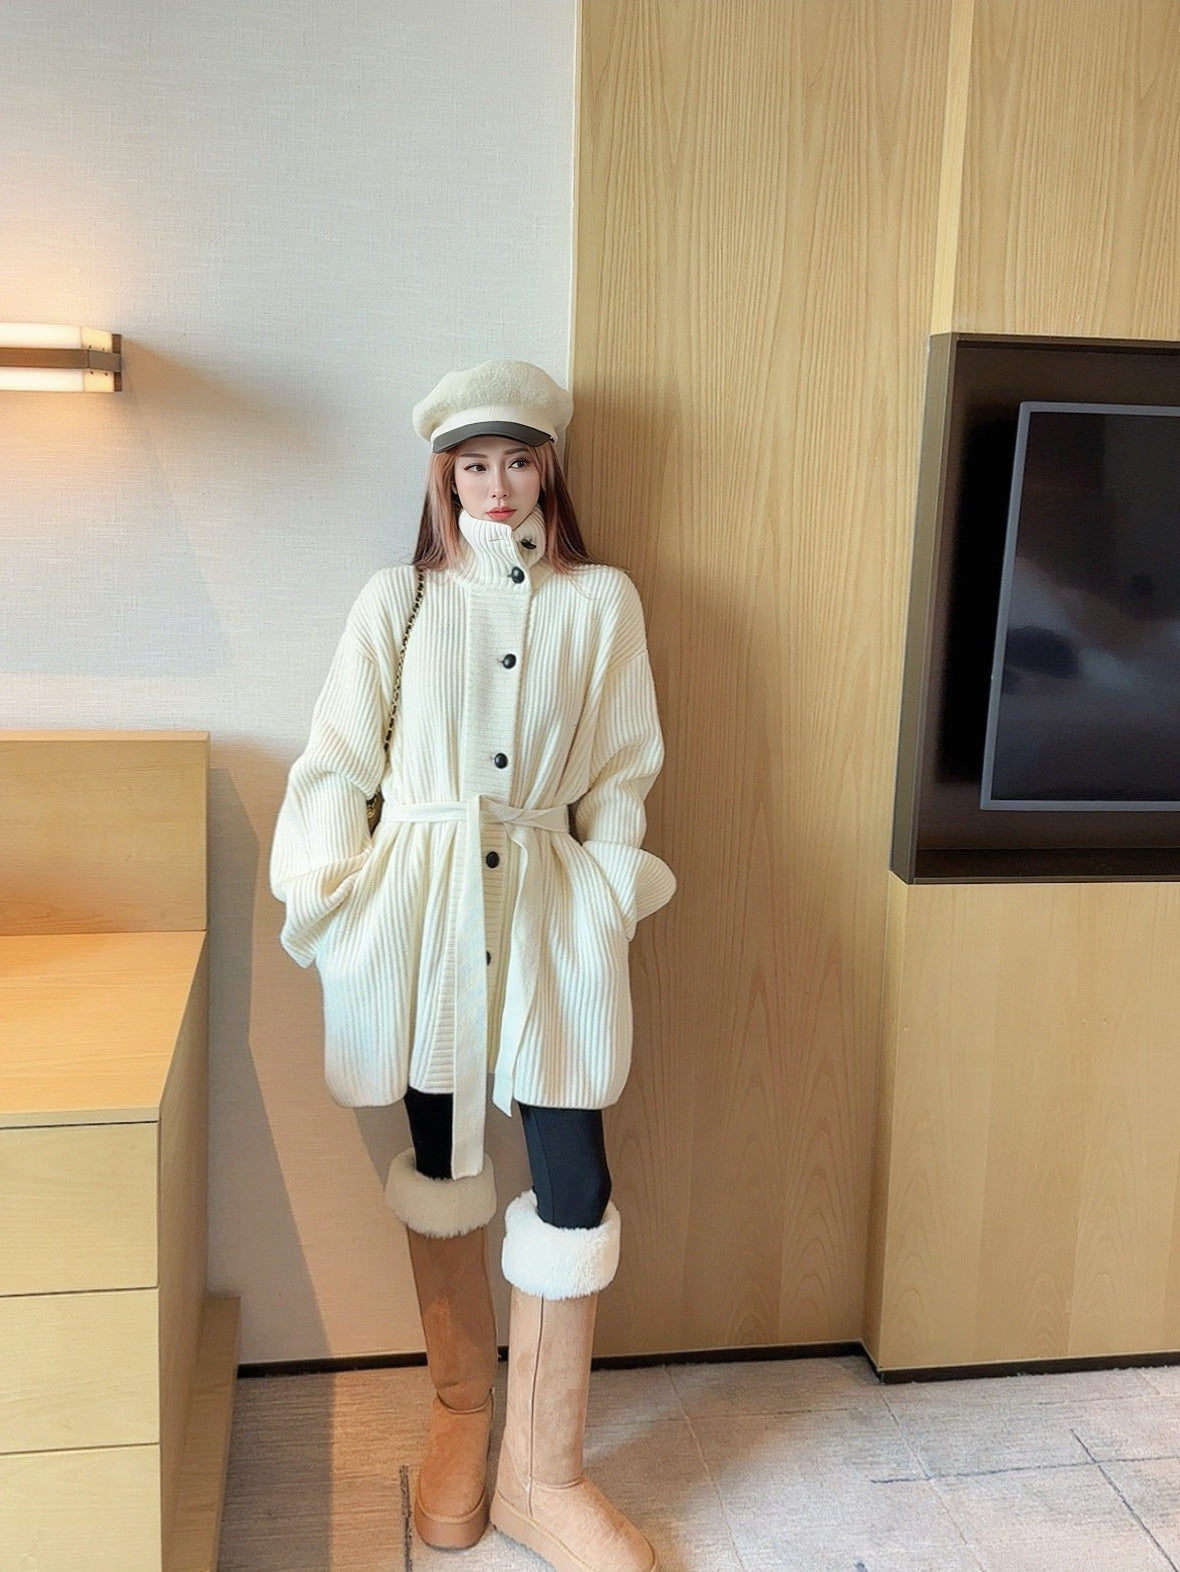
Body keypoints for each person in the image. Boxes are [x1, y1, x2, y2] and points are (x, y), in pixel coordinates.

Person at [270, 360, 674, 1572]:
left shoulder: (599, 602)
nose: (497, 487)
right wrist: (335, 907)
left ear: (549, 469)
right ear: (442, 477)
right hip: (422, 920)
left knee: (572, 1181)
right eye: (473, 465)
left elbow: (622, 772)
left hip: (550, 910)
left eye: (519, 461)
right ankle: (459, 1414)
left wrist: (608, 898)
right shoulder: (397, 599)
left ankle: (545, 1474)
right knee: (441, 1163)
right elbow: (337, 764)